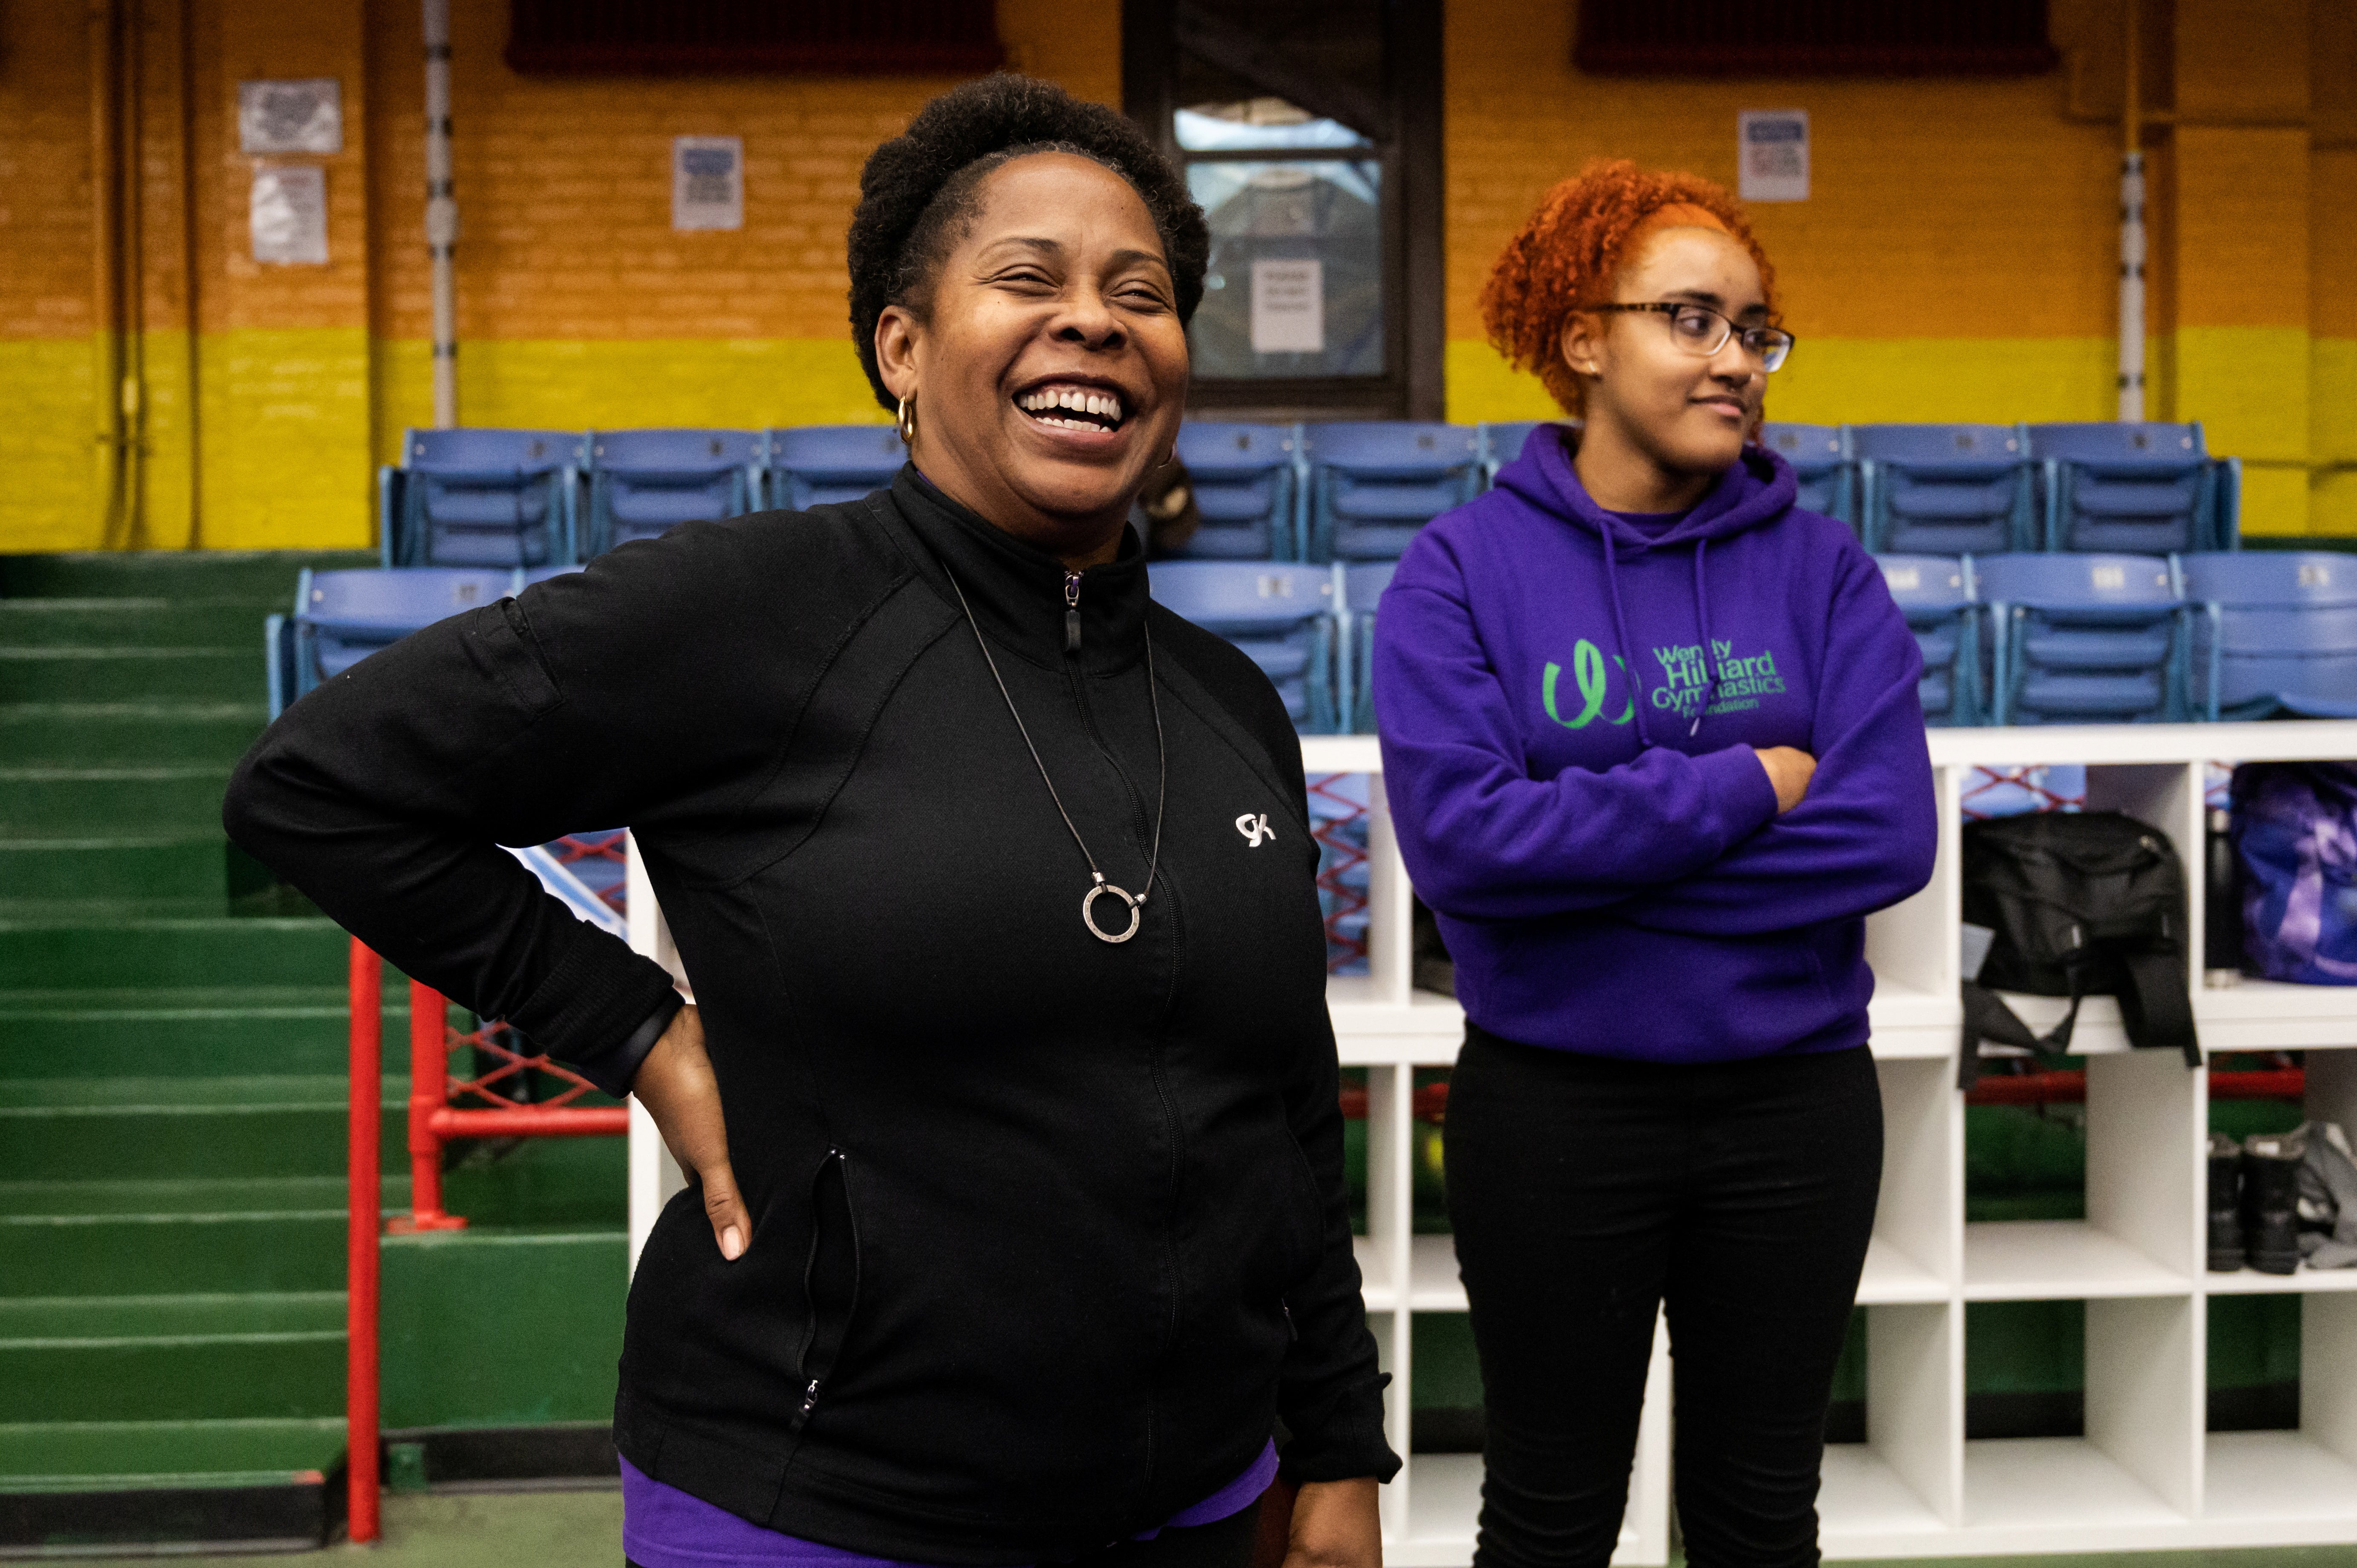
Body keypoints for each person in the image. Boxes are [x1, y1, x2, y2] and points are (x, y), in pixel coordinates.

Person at [225, 75, 1394, 1568]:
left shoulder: (1230, 700)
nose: (1095, 322)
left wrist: (1337, 1446)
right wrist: (638, 1029)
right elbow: (316, 784)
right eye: (1026, 280)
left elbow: (1284, 1110)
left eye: (1142, 295)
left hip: (1202, 1501)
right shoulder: (754, 612)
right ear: (899, 348)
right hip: (823, 1503)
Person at [1371, 160, 1937, 1568]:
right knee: (1551, 1514)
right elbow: (1462, 850)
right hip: (1555, 1111)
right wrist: (1746, 782)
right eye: (1691, 320)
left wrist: (1585, 875)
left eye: (1754, 331)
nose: (1733, 359)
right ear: (1581, 339)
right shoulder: (1455, 571)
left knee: (1759, 1515)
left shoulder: (1822, 572)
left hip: (1793, 1108)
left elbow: (1885, 837)